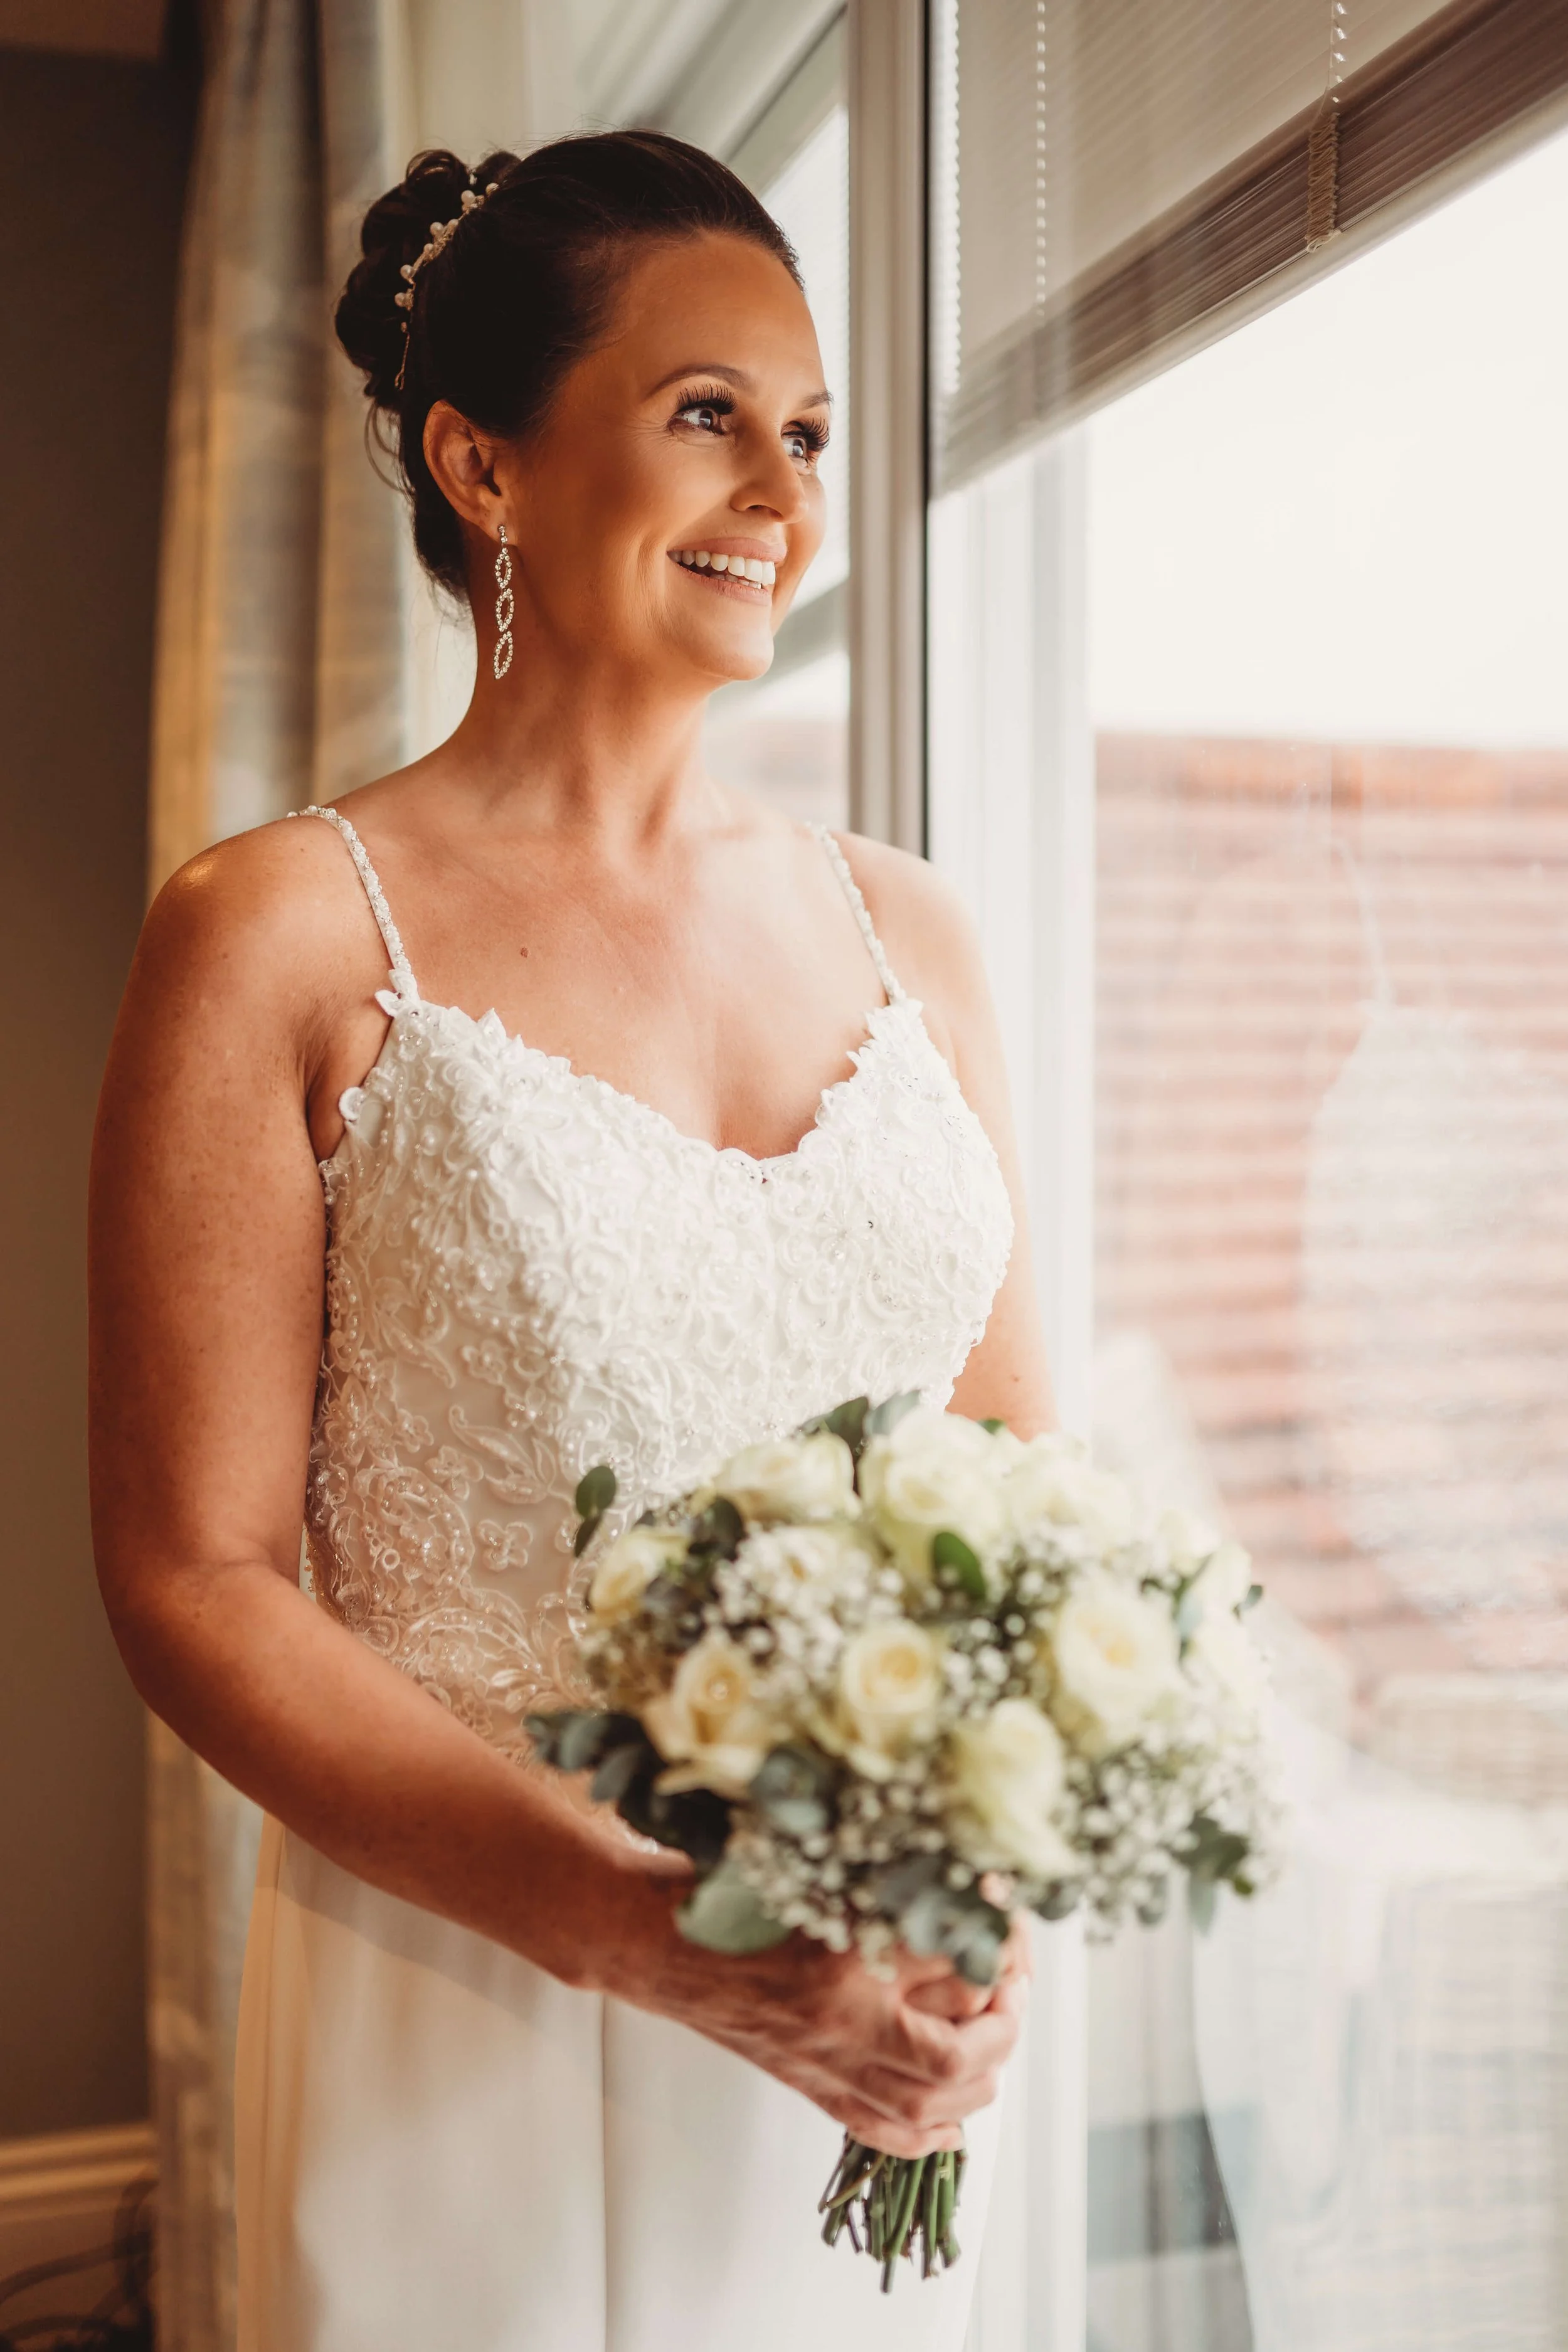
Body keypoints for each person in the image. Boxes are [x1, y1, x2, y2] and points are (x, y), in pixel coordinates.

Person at [89, 131, 1055, 2352]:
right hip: (475, 2006)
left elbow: (1013, 1481)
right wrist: (641, 1929)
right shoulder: (275, 932)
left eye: (806, 432)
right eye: (706, 411)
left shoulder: (913, 930)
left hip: (870, 2017)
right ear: (481, 463)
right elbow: (189, 1573)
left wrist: (968, 1892)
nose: (784, 495)